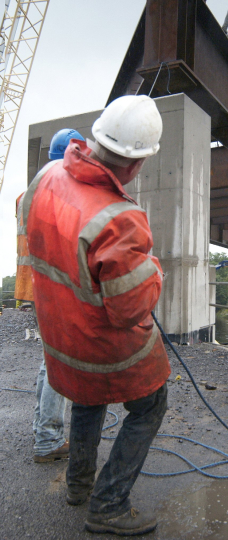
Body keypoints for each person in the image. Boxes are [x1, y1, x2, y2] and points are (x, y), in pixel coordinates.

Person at [23, 95, 171, 536]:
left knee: (87, 398)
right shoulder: (121, 219)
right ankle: (109, 504)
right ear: (137, 163)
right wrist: (153, 270)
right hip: (103, 344)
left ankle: (79, 484)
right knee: (150, 405)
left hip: (59, 335)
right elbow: (130, 309)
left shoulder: (47, 176)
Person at [15, 128, 85, 463]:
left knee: (50, 363)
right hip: (52, 290)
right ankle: (47, 439)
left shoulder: (29, 191)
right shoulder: (54, 190)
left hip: (35, 288)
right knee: (57, 364)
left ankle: (46, 434)